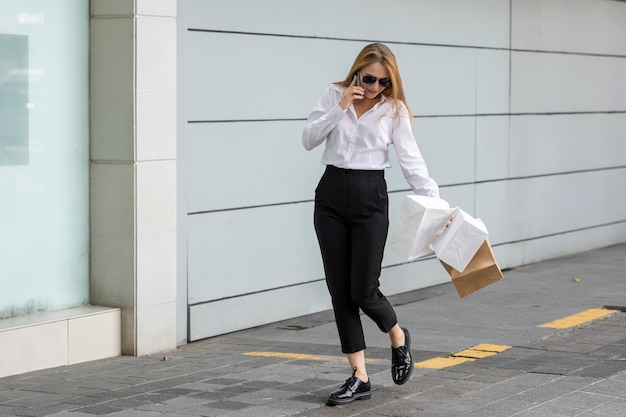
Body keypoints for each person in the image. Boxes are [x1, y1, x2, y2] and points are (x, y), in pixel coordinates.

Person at [302, 43, 440, 406]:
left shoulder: (394, 110)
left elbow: (412, 162)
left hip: (370, 197)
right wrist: (341, 106)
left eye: (384, 81)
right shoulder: (334, 95)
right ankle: (359, 377)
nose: (376, 86)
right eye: (369, 79)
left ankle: (397, 336)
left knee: (363, 289)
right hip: (331, 194)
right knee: (339, 291)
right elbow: (308, 139)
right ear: (357, 72)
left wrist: (436, 203)